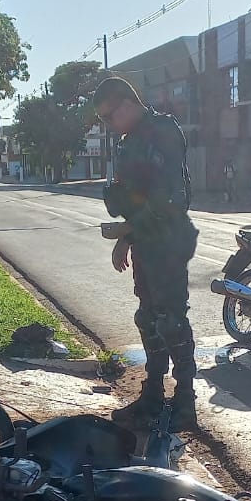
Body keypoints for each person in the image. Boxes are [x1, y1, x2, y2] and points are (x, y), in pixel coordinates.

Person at [94, 76, 200, 430]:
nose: (109, 125)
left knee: (172, 321)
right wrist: (127, 238)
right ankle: (153, 393)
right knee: (148, 319)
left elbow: (172, 199)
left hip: (168, 242)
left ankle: (185, 402)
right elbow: (136, 198)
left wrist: (127, 230)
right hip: (146, 242)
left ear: (127, 104)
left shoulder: (162, 131)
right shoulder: (131, 140)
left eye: (109, 117)